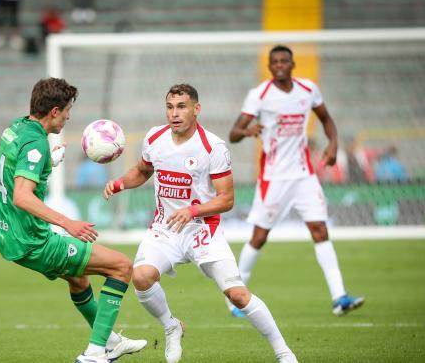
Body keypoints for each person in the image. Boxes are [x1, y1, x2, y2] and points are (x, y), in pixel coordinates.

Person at [104, 84, 298, 363]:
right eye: (170, 107)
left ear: (197, 109)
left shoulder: (213, 147)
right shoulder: (154, 137)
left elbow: (227, 199)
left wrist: (192, 211)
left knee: (238, 295)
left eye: (181, 106)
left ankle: (284, 353)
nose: (174, 113)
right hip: (165, 229)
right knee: (142, 276)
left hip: (203, 230)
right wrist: (120, 183)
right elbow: (142, 170)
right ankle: (172, 326)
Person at [0, 78, 147, 363]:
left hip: (8, 234)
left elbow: (16, 168)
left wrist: (45, 163)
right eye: (66, 110)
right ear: (54, 111)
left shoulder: (16, 128)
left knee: (78, 278)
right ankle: (95, 353)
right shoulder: (35, 143)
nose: (68, 116)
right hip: (32, 241)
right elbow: (22, 197)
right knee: (122, 267)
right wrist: (68, 223)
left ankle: (110, 341)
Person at [226, 45, 364, 317]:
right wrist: (247, 130)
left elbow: (326, 119)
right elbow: (233, 133)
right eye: (274, 61)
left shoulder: (308, 89)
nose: (279, 65)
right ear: (269, 66)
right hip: (273, 178)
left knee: (320, 230)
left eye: (284, 61)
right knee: (259, 236)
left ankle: (339, 297)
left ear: (292, 64)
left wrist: (333, 144)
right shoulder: (260, 95)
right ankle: (234, 298)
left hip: (304, 176)